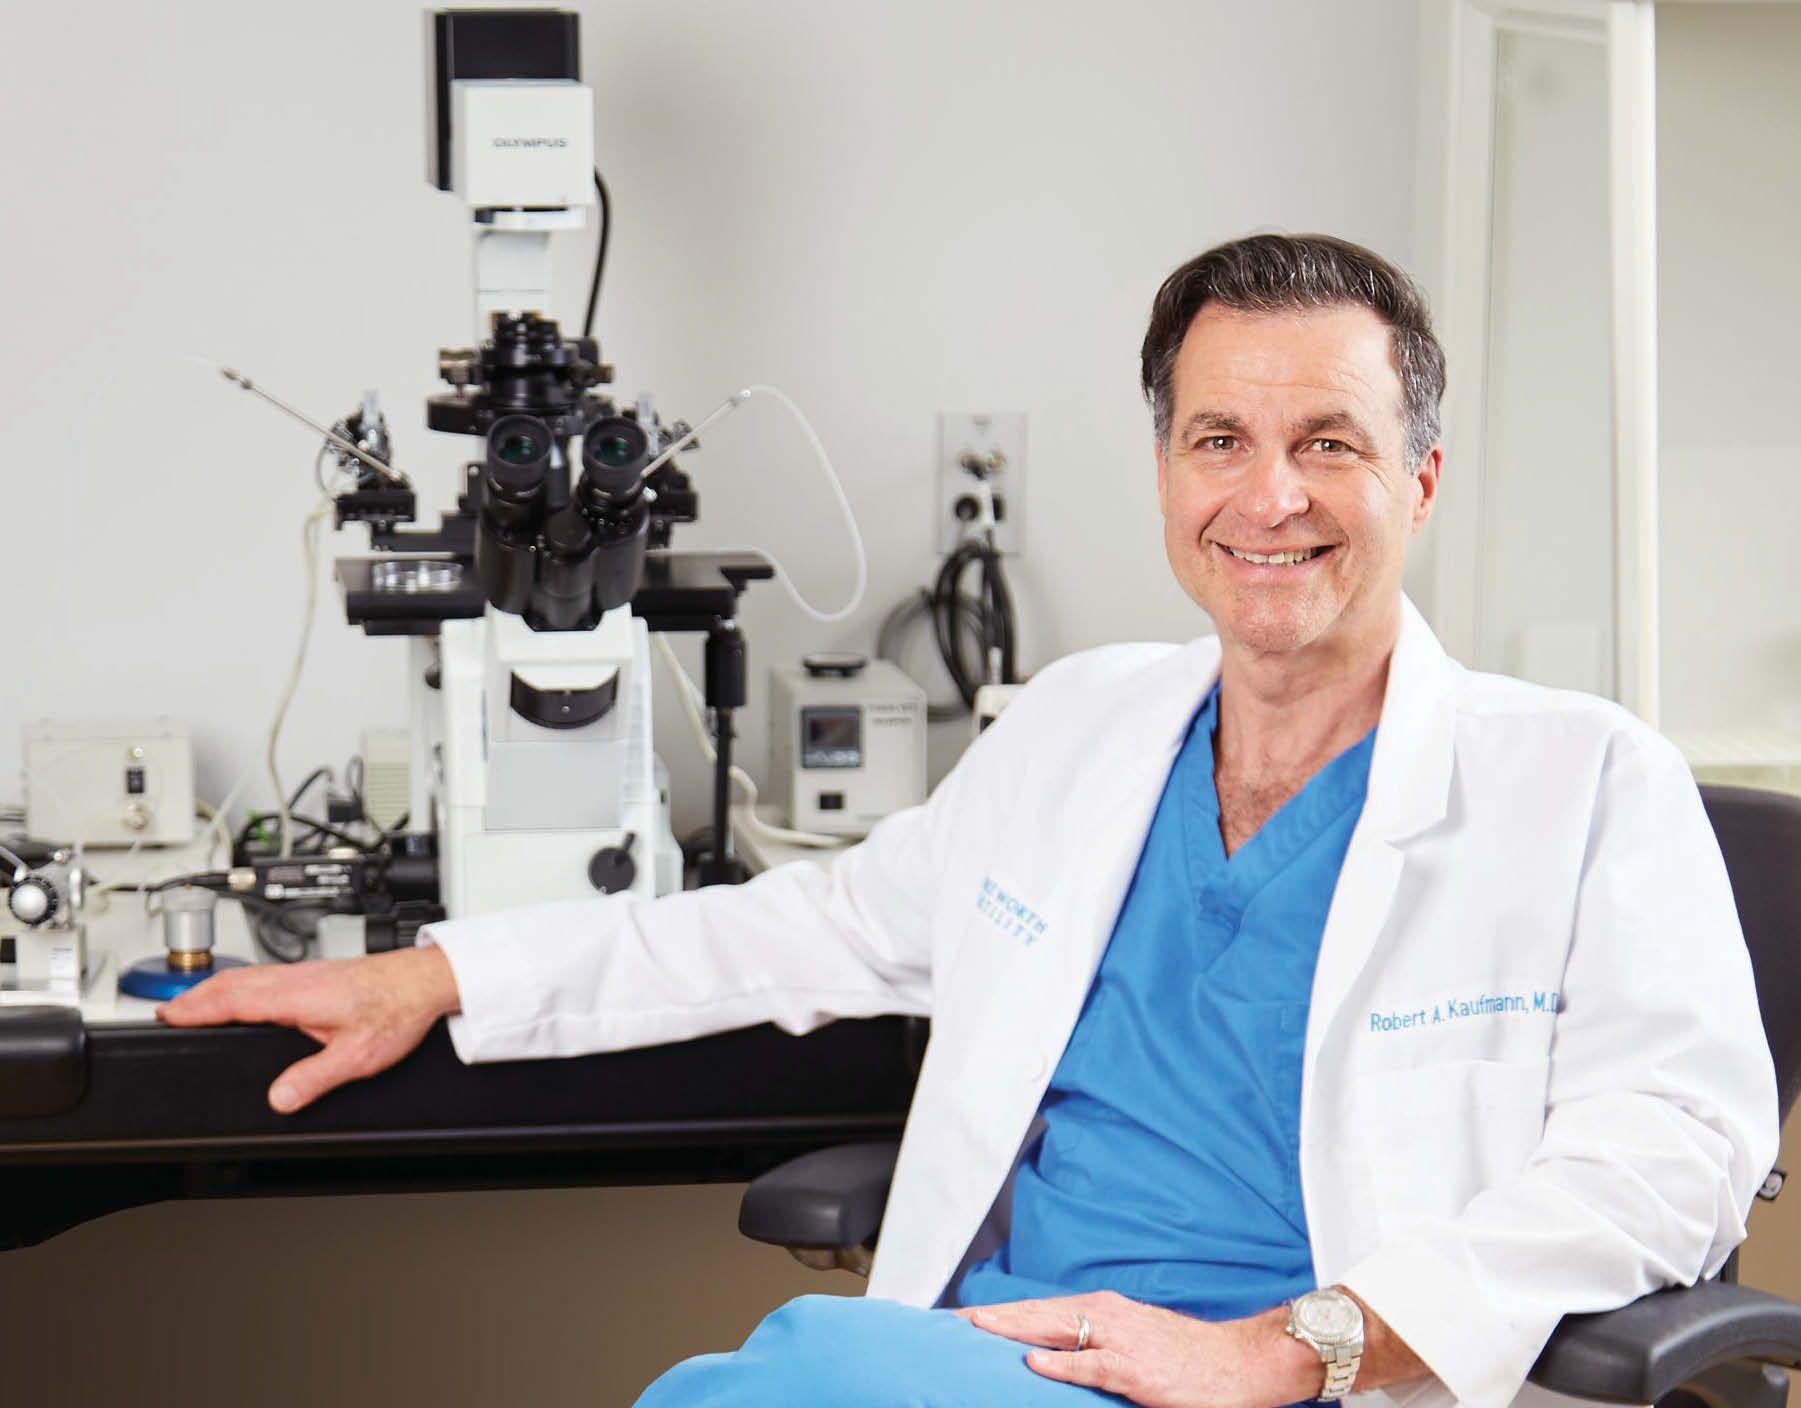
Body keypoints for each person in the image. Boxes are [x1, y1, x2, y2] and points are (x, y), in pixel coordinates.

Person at [161, 234, 1779, 1408]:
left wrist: (1295, 1347)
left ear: (1418, 481)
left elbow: (1675, 1157)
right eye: (1218, 441)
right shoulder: (1080, 727)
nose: (1267, 497)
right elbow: (805, 928)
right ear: (1166, 474)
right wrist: (437, 974)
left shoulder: (1578, 780)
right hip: (1005, 1354)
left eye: (1328, 445)